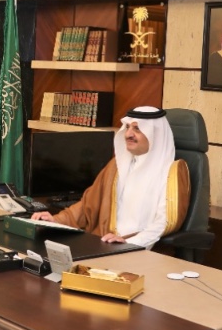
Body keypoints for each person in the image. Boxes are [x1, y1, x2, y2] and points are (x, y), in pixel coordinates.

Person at [31, 106, 175, 250]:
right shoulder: (117, 165)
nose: (128, 134)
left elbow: (164, 222)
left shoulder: (171, 172)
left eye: (137, 129)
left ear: (155, 134)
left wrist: (130, 243)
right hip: (105, 241)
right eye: (127, 127)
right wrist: (56, 220)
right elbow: (88, 204)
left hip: (140, 247)